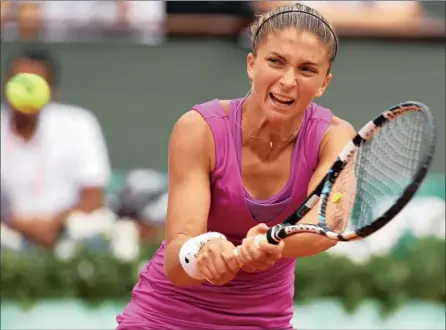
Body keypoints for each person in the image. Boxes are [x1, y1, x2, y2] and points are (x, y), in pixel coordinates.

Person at [116, 3, 356, 329]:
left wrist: (273, 242)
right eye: (276, 61)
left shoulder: (335, 137)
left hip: (264, 321)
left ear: (324, 83)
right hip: (165, 318)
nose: (288, 80)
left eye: (307, 70)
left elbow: (325, 227)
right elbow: (176, 261)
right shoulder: (199, 128)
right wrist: (201, 249)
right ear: (251, 64)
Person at [1, 47, 111, 250]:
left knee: (96, 235)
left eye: (36, 84)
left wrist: (55, 222)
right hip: (7, 231)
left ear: (52, 90)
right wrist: (18, 224)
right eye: (19, 82)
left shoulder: (78, 122)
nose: (26, 90)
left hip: (64, 231)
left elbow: (93, 196)